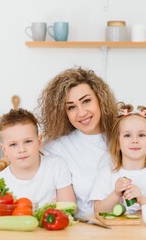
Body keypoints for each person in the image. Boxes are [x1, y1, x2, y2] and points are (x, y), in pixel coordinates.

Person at [0, 108, 76, 215]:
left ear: (39, 142)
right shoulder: (1, 182)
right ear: (4, 150)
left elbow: (69, 208)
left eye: (27, 141)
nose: (22, 150)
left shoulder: (57, 166)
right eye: (13, 144)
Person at [38, 67, 118, 215]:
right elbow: (17, 166)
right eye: (71, 107)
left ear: (100, 99)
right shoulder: (57, 147)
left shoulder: (126, 137)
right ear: (64, 113)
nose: (81, 112)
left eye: (86, 101)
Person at [90, 102, 146, 214]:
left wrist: (141, 199)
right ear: (118, 143)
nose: (135, 140)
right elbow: (98, 210)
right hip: (114, 231)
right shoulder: (107, 173)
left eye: (141, 135)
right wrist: (116, 194)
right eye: (127, 135)